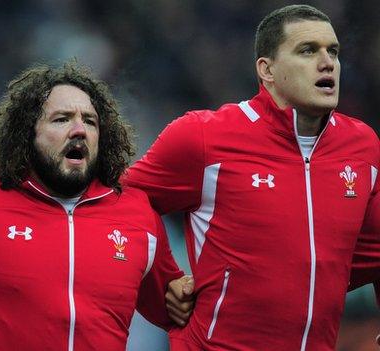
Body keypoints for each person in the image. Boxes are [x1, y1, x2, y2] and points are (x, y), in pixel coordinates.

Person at [125, 4, 379, 350]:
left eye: (332, 51)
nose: (327, 62)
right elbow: (122, 200)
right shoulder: (203, 136)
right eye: (308, 50)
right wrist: (163, 280)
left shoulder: (363, 148)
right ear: (267, 69)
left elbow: (375, 250)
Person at [0, 62, 192, 350]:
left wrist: (189, 292)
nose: (79, 130)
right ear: (27, 132)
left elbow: (178, 312)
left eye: (90, 121)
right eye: (62, 119)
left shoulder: (138, 215)